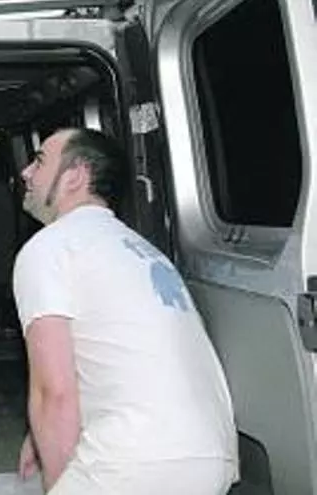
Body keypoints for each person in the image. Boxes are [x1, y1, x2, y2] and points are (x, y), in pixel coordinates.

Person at [13, 128, 239, 494]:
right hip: (212, 458)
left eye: (39, 161)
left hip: (132, 461)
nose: (26, 172)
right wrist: (40, 439)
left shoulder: (49, 247)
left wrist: (57, 483)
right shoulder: (140, 249)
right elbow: (113, 357)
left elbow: (54, 392)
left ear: (75, 175)